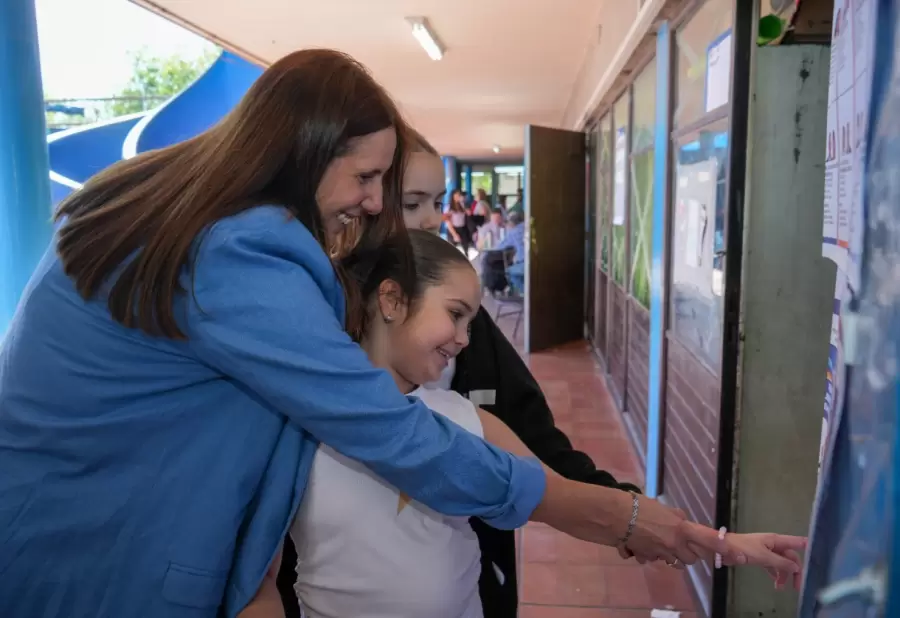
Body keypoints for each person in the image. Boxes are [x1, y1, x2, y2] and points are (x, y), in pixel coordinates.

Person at [1, 50, 561, 618]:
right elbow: (383, 427)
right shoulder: (237, 250)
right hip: (97, 560)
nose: (375, 203)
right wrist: (606, 514)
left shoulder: (166, 209)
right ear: (301, 155)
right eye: (367, 178)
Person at [273, 129, 803, 618]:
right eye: (411, 203)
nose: (433, 220)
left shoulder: (467, 374)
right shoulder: (300, 372)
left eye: (438, 202)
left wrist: (678, 532)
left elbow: (550, 467)